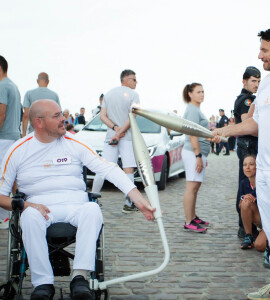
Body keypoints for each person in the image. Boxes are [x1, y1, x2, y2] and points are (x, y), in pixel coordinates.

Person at [0, 100, 155, 300]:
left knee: (92, 210)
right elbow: (2, 195)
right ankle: (43, 284)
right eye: (56, 116)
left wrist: (139, 200)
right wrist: (26, 204)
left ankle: (80, 277)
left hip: (76, 205)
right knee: (28, 217)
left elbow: (108, 168)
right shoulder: (18, 150)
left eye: (61, 114)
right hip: (39, 207)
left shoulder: (75, 142)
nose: (64, 119)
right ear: (38, 122)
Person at [213, 28, 270, 300]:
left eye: (264, 50)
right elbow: (256, 123)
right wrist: (225, 132)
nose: (259, 55)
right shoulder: (265, 84)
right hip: (264, 168)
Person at [92, 69, 140, 213]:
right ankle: (128, 203)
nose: (136, 82)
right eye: (134, 79)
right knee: (128, 169)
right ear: (125, 79)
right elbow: (133, 116)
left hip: (111, 136)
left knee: (103, 168)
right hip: (126, 137)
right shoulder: (134, 94)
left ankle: (92, 199)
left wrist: (115, 129)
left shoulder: (108, 93)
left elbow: (102, 116)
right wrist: (120, 132)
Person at [234, 66, 261, 239]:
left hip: (249, 145)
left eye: (259, 81)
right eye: (253, 81)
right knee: (246, 183)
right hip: (248, 146)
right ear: (244, 81)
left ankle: (247, 225)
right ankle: (245, 227)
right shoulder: (246, 100)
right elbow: (248, 124)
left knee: (250, 181)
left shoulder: (250, 98)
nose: (256, 84)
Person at [181, 83, 210, 233]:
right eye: (198, 92)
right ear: (190, 94)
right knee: (191, 187)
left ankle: (193, 217)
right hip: (193, 153)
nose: (202, 94)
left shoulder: (196, 109)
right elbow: (192, 133)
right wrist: (198, 155)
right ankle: (188, 221)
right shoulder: (192, 110)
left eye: (203, 91)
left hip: (199, 153)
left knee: (195, 187)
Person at [0, 55, 22, 229]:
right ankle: (14, 214)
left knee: (2, 179)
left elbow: (1, 113)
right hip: (12, 135)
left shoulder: (2, 86)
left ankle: (4, 218)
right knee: (11, 177)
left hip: (3, 137)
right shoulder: (13, 85)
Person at [22, 72, 60, 137]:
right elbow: (58, 116)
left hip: (34, 133)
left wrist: (24, 134)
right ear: (48, 82)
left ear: (37, 81)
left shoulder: (29, 94)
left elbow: (26, 115)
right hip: (50, 134)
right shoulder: (54, 95)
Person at [239, 155, 264, 250]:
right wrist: (245, 198)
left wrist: (253, 197)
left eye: (251, 164)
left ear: (257, 167)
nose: (247, 167)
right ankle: (248, 236)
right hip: (258, 219)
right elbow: (239, 206)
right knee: (245, 202)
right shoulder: (243, 183)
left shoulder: (263, 182)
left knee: (260, 246)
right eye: (244, 165)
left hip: (268, 219)